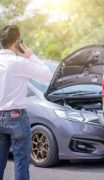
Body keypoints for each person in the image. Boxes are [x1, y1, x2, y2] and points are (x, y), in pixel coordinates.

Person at [0, 25, 52, 180]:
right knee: (21, 164)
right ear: (17, 42)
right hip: (17, 119)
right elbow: (48, 76)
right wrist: (31, 56)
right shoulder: (19, 63)